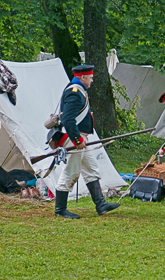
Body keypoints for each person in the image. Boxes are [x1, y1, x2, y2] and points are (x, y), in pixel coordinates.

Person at [54, 65, 120, 219]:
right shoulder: (74, 92)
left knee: (91, 170)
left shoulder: (78, 91)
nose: (92, 80)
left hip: (80, 137)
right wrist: (77, 140)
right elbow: (67, 119)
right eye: (90, 77)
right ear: (82, 77)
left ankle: (101, 204)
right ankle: (60, 210)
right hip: (73, 138)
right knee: (71, 172)